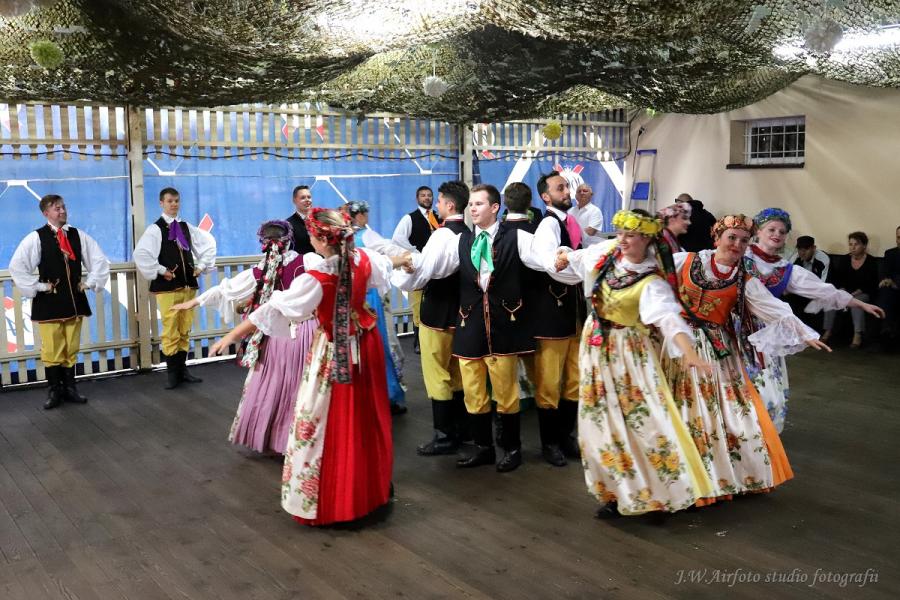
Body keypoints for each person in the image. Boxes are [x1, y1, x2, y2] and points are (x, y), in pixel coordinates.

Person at [211, 208, 406, 526]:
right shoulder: (361, 259)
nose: (310, 240)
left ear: (322, 240)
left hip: (335, 350)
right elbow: (387, 263)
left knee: (325, 420)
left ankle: (338, 499)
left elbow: (273, 309)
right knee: (365, 414)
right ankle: (370, 487)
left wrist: (232, 335)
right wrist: (406, 259)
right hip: (365, 343)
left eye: (313, 236)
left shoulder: (317, 279)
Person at [554, 209, 713, 518]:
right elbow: (579, 257)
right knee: (600, 424)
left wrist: (690, 353)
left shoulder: (651, 281)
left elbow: (668, 318)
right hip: (596, 348)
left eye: (631, 235)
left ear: (647, 239)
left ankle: (659, 494)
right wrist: (563, 255)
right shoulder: (608, 255)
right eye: (621, 234)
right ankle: (616, 493)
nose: (623, 240)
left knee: (644, 421)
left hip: (628, 354)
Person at [663, 214, 830, 505]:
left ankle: (719, 476)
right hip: (676, 343)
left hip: (716, 349)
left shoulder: (745, 280)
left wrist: (804, 333)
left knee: (722, 414)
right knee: (675, 409)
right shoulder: (686, 261)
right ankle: (674, 475)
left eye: (743, 240)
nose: (737, 244)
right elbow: (652, 275)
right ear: (717, 238)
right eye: (731, 238)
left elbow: (774, 308)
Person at [393, 184, 551, 473]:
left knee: (505, 391)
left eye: (480, 204)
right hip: (469, 325)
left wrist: (565, 257)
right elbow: (433, 267)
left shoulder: (516, 237)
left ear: (495, 207)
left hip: (503, 326)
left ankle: (512, 448)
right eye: (472, 204)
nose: (473, 208)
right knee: (473, 390)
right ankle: (483, 447)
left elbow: (544, 258)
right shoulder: (460, 241)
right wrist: (409, 266)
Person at [169, 220, 318, 454]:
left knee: (273, 384)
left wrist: (194, 302)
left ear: (264, 244)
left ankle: (275, 437)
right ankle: (302, 441)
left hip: (275, 334)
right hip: (306, 331)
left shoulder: (258, 272)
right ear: (289, 241)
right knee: (304, 385)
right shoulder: (307, 261)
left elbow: (225, 289)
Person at [744, 209, 883, 432]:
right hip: (734, 329)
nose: (777, 234)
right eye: (771, 229)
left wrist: (860, 304)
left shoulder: (786, 269)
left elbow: (822, 290)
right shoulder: (740, 256)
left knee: (767, 389)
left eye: (782, 231)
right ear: (758, 231)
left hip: (766, 333)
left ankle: (759, 436)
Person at [9, 194, 110, 409]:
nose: (62, 211)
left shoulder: (77, 235)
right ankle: (55, 390)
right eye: (57, 208)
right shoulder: (36, 238)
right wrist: (40, 286)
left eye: (63, 207)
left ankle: (70, 388)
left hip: (74, 301)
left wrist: (89, 282)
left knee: (71, 346)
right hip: (50, 303)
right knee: (52, 348)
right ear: (46, 213)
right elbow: (17, 266)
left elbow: (99, 260)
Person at [134, 187, 217, 389]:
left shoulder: (186, 227)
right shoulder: (155, 229)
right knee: (171, 328)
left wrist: (201, 266)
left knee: (184, 327)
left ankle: (182, 370)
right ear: (161, 203)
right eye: (170, 201)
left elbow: (208, 245)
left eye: (177, 201)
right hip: (168, 287)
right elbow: (141, 254)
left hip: (187, 285)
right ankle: (172, 373)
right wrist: (162, 270)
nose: (174, 204)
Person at [530, 172, 587, 466]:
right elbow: (552, 265)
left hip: (574, 312)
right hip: (552, 313)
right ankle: (550, 442)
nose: (566, 192)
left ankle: (567, 436)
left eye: (566, 187)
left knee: (574, 378)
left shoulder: (570, 222)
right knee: (550, 381)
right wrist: (578, 265)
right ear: (546, 196)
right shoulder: (549, 224)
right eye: (560, 188)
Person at [414, 181, 471, 456]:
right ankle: (463, 429)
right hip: (461, 313)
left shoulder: (441, 235)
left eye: (438, 200)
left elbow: (425, 272)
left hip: (437, 312)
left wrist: (405, 270)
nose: (436, 205)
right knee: (457, 372)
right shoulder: (469, 233)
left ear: (449, 205)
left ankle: (444, 435)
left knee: (437, 372)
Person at [345, 200, 411, 416]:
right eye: (365, 213)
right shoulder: (364, 236)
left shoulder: (345, 238)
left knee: (360, 346)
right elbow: (388, 250)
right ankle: (385, 394)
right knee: (380, 342)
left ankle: (366, 396)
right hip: (366, 294)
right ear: (360, 215)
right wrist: (408, 257)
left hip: (353, 296)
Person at [392, 185, 439, 354]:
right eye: (423, 195)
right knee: (418, 304)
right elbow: (397, 238)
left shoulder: (438, 218)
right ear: (417, 198)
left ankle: (433, 340)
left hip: (435, 268)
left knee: (435, 303)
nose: (427, 198)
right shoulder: (409, 218)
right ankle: (418, 341)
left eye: (429, 195)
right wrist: (415, 253)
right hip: (419, 268)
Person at [821, 232, 881, 348]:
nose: (852, 247)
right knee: (832, 299)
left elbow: (870, 284)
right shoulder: (845, 259)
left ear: (864, 246)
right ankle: (828, 331)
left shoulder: (871, 262)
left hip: (863, 293)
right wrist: (842, 290)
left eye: (856, 244)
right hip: (846, 291)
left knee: (857, 302)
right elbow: (838, 279)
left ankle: (857, 334)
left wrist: (852, 295)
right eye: (850, 244)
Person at [876, 226, 900, 350]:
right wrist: (886, 280)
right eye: (898, 237)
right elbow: (885, 272)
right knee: (885, 291)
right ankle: (887, 330)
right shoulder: (890, 253)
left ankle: (888, 331)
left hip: (897, 285)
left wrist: (895, 283)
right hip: (892, 289)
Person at [287, 185, 315, 255]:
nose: (307, 200)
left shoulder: (319, 220)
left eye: (309, 197)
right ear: (294, 201)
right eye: (303, 198)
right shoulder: (288, 224)